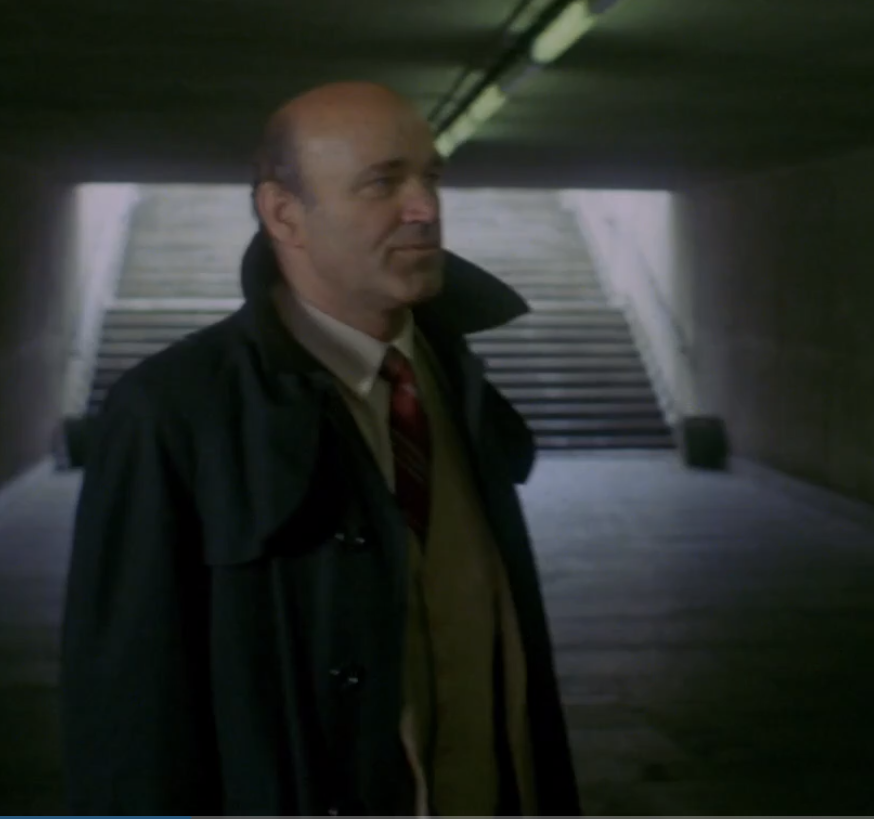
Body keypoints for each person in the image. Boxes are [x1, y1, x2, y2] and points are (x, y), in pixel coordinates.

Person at [60, 81, 582, 816]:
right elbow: (128, 719)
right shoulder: (172, 412)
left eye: (430, 178)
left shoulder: (455, 380)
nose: (425, 209)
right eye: (382, 183)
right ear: (284, 214)